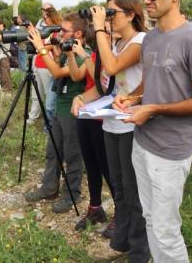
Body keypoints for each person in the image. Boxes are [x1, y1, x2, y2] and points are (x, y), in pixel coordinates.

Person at [114, 0, 192, 262]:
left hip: (170, 151)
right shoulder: (150, 38)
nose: (146, 0)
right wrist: (132, 99)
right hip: (142, 142)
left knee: (165, 229)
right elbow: (152, 84)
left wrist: (154, 109)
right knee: (150, 219)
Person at [71, 0, 150, 261]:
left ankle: (141, 250)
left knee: (133, 189)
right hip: (111, 124)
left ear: (131, 14)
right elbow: (106, 86)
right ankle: (124, 240)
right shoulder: (115, 45)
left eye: (112, 13)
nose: (108, 18)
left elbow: (114, 67)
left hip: (131, 125)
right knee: (118, 185)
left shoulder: (141, 41)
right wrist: (81, 97)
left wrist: (99, 30)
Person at [24, 13, 88, 214]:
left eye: (65, 30)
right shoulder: (67, 49)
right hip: (60, 106)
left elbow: (59, 73)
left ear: (78, 33)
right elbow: (58, 66)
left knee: (72, 153)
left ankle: (72, 193)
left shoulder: (85, 53)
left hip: (73, 110)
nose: (60, 33)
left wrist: (41, 48)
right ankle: (49, 187)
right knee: (53, 150)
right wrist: (54, 47)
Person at [64, 21, 115, 234]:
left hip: (104, 116)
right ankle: (95, 207)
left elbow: (101, 83)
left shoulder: (111, 55)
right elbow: (77, 76)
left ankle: (120, 212)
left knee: (107, 167)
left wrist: (84, 55)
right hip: (86, 112)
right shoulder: (94, 54)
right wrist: (69, 53)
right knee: (91, 164)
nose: (98, 33)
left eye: (104, 29)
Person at [27, 5, 61, 126]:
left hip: (47, 66)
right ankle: (32, 117)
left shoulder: (56, 31)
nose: (44, 20)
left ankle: (49, 123)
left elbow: (50, 46)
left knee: (49, 96)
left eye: (45, 17)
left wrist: (39, 46)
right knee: (36, 93)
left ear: (52, 18)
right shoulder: (45, 30)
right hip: (37, 63)